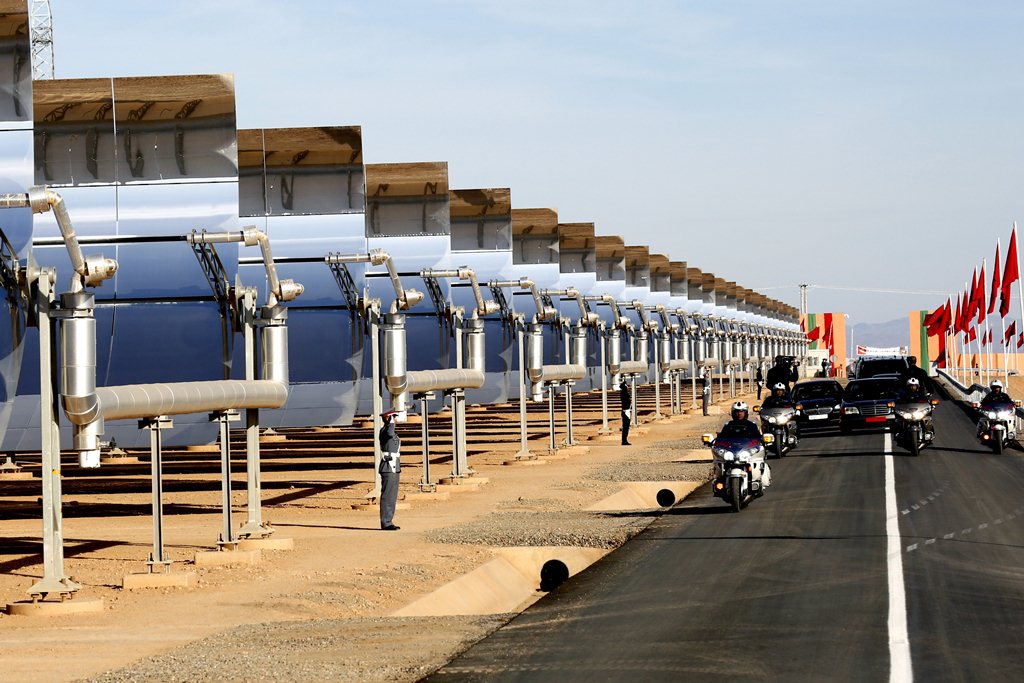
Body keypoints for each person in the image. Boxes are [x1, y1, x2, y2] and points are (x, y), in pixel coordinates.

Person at [717, 401, 771, 487]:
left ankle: (757, 479)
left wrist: (764, 441)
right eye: (737, 412)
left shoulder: (752, 426)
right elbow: (720, 439)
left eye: (742, 411)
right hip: (732, 453)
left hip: (747, 453)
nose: (739, 414)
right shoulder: (728, 426)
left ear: (746, 412)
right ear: (733, 413)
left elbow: (758, 438)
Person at [378, 409, 402, 531]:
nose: (396, 419)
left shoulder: (389, 430)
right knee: (387, 495)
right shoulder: (385, 430)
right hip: (388, 466)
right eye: (394, 417)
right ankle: (386, 522)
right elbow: (390, 433)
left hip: (394, 466)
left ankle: (389, 520)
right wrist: (390, 422)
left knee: (392, 496)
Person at [619, 380, 632, 446]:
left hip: (627, 411)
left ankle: (625, 440)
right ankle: (624, 440)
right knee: (625, 427)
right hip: (626, 411)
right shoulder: (624, 393)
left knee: (626, 427)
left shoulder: (624, 393)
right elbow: (627, 402)